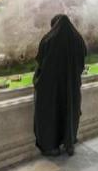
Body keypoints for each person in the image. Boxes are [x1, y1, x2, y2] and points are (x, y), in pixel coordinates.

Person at [33, 14, 87, 157]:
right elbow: (82, 62)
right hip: (72, 87)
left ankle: (51, 147)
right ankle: (69, 143)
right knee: (70, 112)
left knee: (51, 114)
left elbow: (40, 62)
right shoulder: (78, 39)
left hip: (51, 87)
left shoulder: (48, 39)